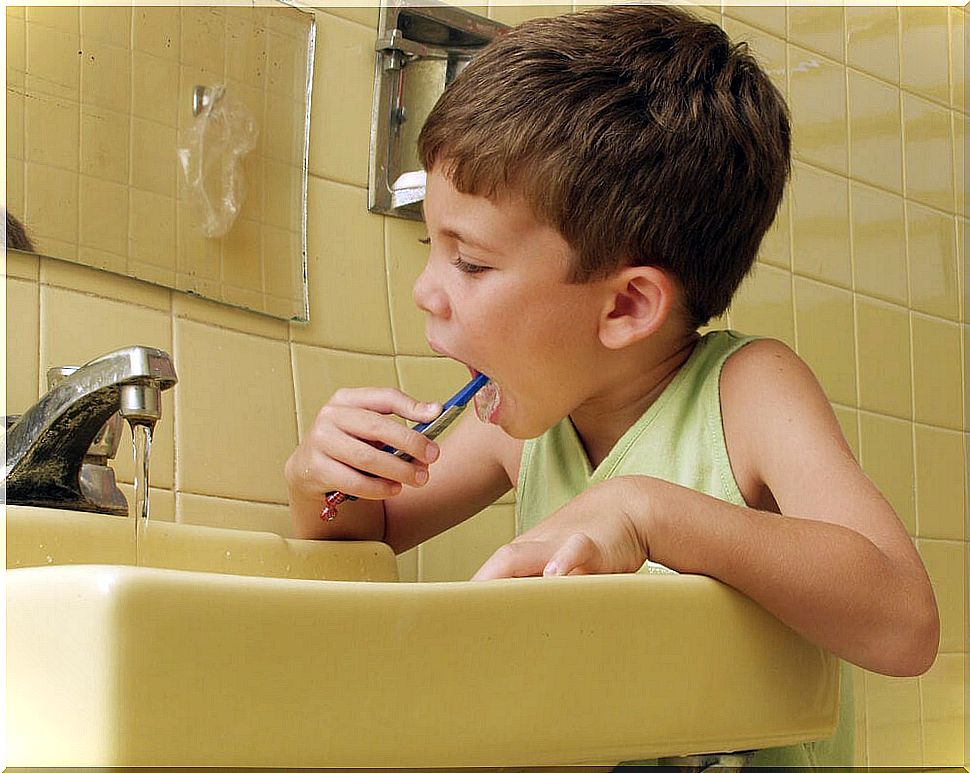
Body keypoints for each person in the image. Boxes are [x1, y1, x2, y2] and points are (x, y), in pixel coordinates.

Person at [287, 5, 939, 767]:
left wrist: (648, 511)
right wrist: (324, 478)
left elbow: (904, 623)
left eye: (469, 262)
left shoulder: (747, 393)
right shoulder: (518, 422)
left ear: (626, 305)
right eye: (434, 246)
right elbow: (370, 535)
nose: (428, 291)